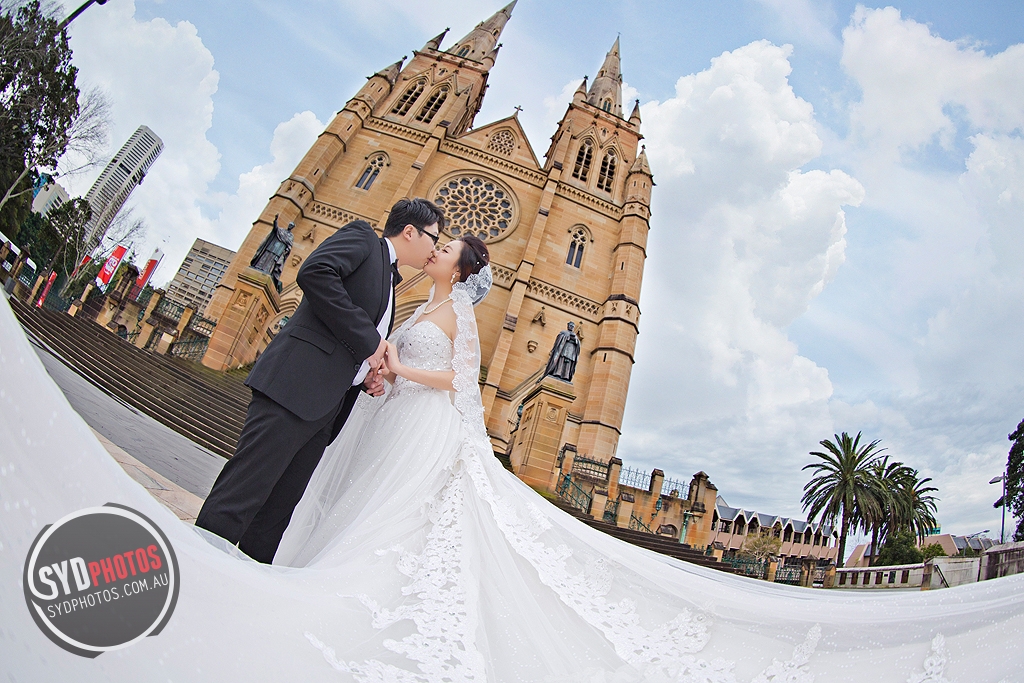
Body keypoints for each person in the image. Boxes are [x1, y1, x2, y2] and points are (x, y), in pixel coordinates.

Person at [195, 198, 444, 564]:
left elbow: (350, 343)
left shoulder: (392, 280)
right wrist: (370, 341)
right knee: (243, 491)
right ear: (410, 231)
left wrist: (364, 377)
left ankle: (243, 578)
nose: (435, 248)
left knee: (278, 512)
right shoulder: (364, 239)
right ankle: (196, 562)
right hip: (294, 388)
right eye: (434, 238)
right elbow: (315, 272)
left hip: (327, 408)